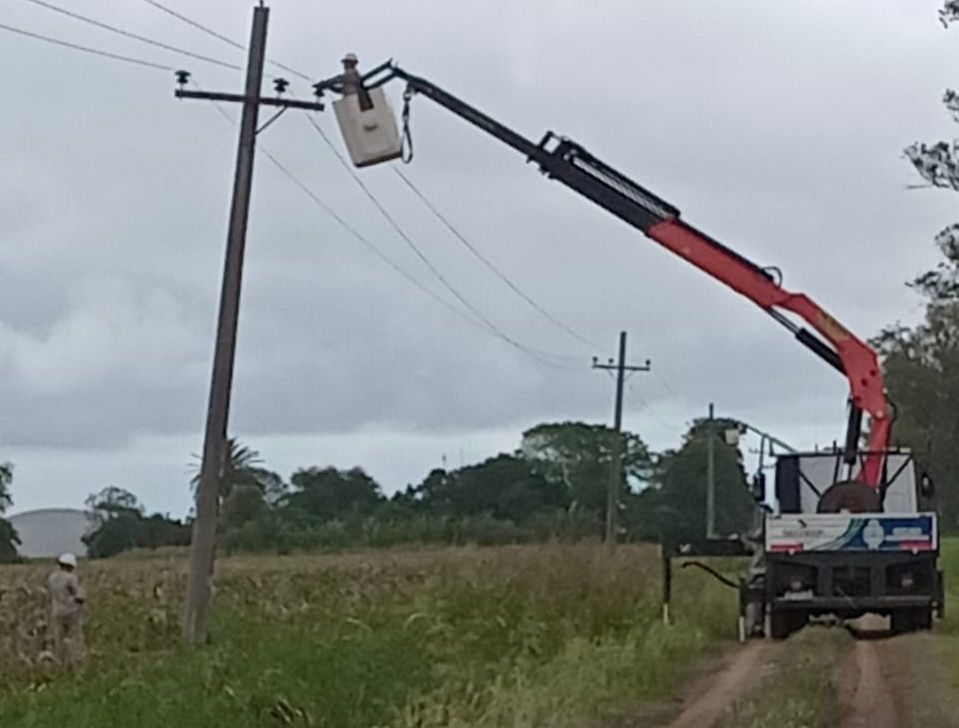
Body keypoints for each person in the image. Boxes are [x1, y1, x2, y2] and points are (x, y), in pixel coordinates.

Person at [47, 552, 86, 668]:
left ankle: (60, 663)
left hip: (56, 611)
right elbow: (79, 596)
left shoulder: (51, 577)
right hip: (71, 611)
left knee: (59, 639)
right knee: (74, 638)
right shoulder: (70, 578)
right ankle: (75, 664)